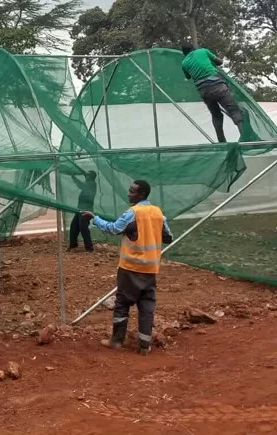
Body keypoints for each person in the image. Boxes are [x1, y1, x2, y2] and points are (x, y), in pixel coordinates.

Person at [83, 180, 173, 355]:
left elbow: (114, 229)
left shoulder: (132, 213)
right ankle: (144, 345)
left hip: (130, 268)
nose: (128, 194)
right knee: (147, 306)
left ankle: (116, 341)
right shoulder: (157, 213)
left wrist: (95, 219)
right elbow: (168, 237)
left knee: (122, 303)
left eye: (132, 192)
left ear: (141, 195)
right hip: (151, 270)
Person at [181, 42, 243, 143]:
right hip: (218, 86)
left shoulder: (184, 63)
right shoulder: (203, 51)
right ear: (193, 48)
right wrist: (213, 61)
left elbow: (188, 77)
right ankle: (245, 138)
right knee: (234, 111)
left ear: (183, 53)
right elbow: (219, 62)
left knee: (216, 115)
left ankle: (222, 142)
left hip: (204, 92)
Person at [68, 170, 97, 252]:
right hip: (80, 209)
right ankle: (73, 245)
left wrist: (74, 177)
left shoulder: (91, 184)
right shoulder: (89, 182)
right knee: (74, 227)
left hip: (86, 210)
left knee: (83, 228)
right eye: (86, 175)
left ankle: (89, 248)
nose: (86, 177)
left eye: (88, 176)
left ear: (91, 177)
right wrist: (84, 174)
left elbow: (81, 185)